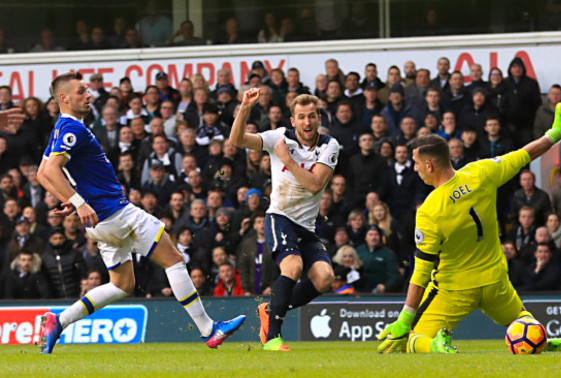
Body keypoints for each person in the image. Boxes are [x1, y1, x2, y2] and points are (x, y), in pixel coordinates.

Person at [35, 72, 245, 354]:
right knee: (173, 259)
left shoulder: (61, 129)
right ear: (64, 98)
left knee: (122, 284)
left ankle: (58, 321)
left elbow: (41, 174)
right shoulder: (72, 130)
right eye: (82, 91)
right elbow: (49, 171)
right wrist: (77, 202)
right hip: (115, 213)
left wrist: (71, 201)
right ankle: (209, 329)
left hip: (100, 222)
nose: (89, 95)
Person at [377, 102, 561, 354]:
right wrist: (556, 133)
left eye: (416, 163)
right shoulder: (481, 172)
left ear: (429, 165)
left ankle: (436, 347)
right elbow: (525, 154)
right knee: (520, 318)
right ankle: (538, 339)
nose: (415, 168)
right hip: (495, 282)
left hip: (454, 288)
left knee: (410, 339)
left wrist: (404, 319)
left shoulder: (429, 211)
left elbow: (421, 271)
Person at [229, 88, 340, 351]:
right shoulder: (279, 136)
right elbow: (237, 140)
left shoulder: (329, 145)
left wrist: (286, 159)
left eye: (312, 116)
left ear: (319, 118)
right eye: (301, 117)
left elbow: (314, 185)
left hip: (307, 226)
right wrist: (245, 107)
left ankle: (270, 309)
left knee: (325, 278)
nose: (307, 122)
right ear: (293, 120)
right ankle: (273, 338)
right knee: (293, 267)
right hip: (280, 217)